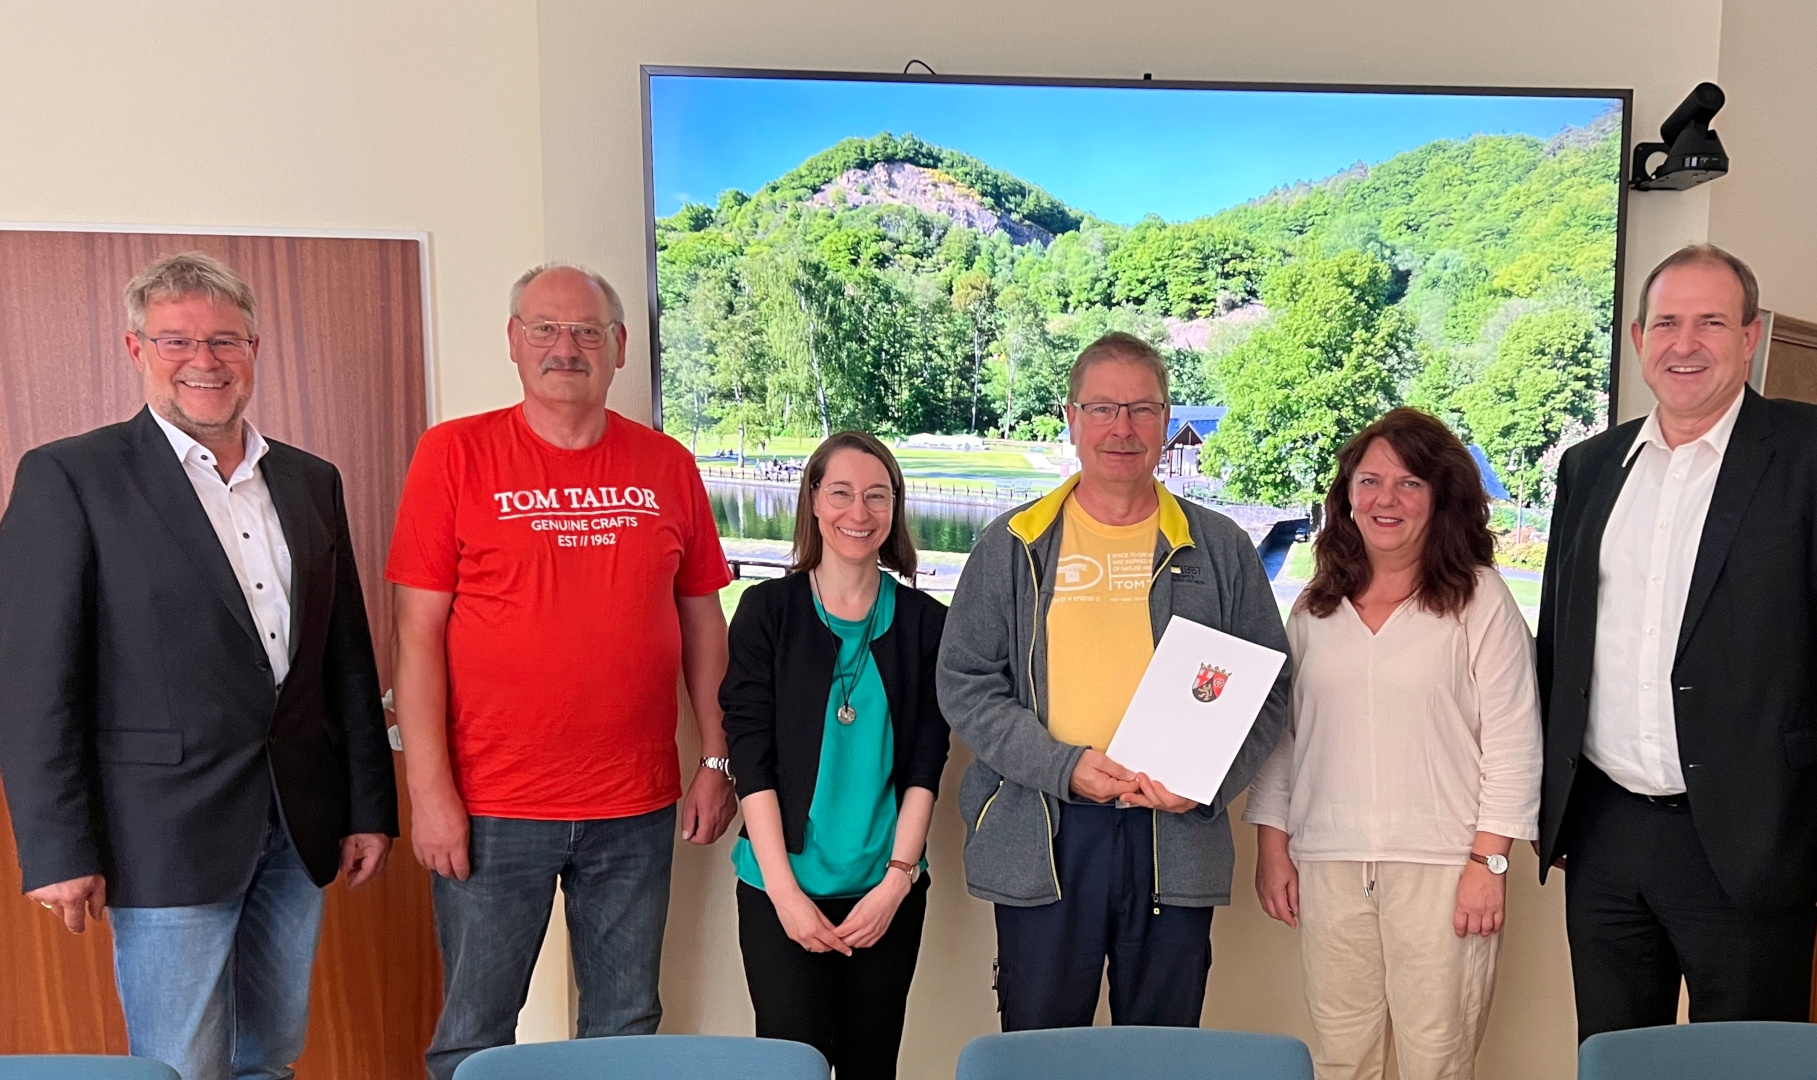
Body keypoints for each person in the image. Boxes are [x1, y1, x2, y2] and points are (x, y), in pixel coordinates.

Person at [0, 252, 397, 1080]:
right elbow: (34, 682)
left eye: (224, 340)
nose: (204, 361)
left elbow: (346, 661)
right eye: (176, 340)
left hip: (299, 826)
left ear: (254, 348)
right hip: (162, 834)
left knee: (272, 1056)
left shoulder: (309, 480)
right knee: (181, 1066)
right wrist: (56, 848)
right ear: (135, 348)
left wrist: (368, 806)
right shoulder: (70, 477)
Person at [1537, 244, 1817, 1039]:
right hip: (1605, 834)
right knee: (1614, 1055)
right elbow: (1562, 646)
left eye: (1711, 322)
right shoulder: (1590, 467)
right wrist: (1556, 808)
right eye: (1668, 323)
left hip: (1757, 835)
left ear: (1750, 337)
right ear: (1639, 338)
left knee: (1745, 1063)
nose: (1686, 343)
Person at [386, 262, 737, 1079]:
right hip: (491, 805)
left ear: (618, 347)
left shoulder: (666, 464)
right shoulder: (453, 455)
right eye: (544, 328)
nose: (565, 346)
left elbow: (702, 626)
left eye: (585, 331)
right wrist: (430, 793)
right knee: (475, 1030)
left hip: (636, 805)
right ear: (513, 342)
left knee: (623, 1027)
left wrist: (716, 760)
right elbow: (415, 636)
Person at [937, 331, 1290, 1030]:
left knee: (1159, 1052)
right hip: (1046, 830)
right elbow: (966, 681)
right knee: (1041, 1052)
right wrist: (1063, 767)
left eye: (1141, 409)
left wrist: (1207, 784)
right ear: (1071, 419)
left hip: (1174, 835)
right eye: (1102, 408)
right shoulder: (1013, 544)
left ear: (1165, 421)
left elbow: (1268, 688)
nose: (1121, 428)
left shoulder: (1219, 548)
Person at [1246, 408, 1541, 1080]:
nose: (1386, 499)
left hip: (1444, 867)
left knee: (1435, 1059)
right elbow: (1286, 738)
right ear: (1347, 496)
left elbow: (1515, 738)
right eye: (1371, 481)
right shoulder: (1315, 607)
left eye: (1409, 484)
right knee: (1342, 1059)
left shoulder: (1480, 600)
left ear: (1441, 497)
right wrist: (1272, 845)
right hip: (1329, 861)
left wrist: (1488, 864)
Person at [721, 431, 951, 1080]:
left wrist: (897, 882)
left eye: (878, 496)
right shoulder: (767, 612)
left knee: (871, 1068)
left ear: (895, 509)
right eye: (842, 493)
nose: (860, 512)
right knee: (791, 1069)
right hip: (780, 888)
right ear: (814, 502)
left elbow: (924, 766)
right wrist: (788, 897)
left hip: (886, 891)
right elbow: (752, 758)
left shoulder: (924, 624)